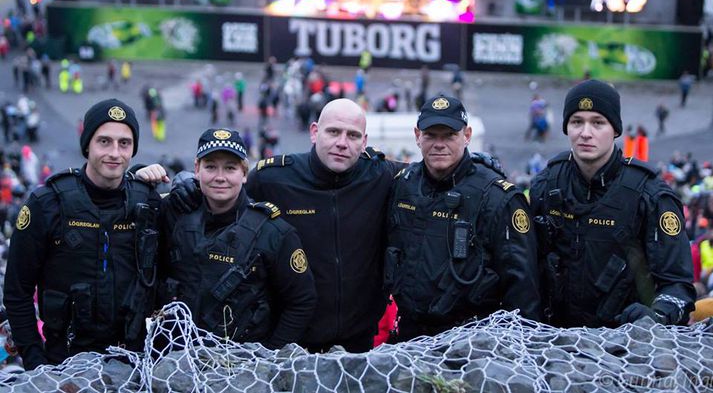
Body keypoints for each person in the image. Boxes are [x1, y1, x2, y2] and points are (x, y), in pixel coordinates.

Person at [170, 99, 405, 352]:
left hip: (359, 339)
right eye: (333, 131)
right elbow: (224, 187)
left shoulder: (381, 175)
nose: (342, 143)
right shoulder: (274, 177)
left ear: (364, 141)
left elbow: (433, 173)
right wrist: (185, 183)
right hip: (292, 340)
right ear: (314, 132)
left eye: (353, 135)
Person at [3, 99, 162, 370]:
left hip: (132, 364)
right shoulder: (46, 204)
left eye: (124, 143)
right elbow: (18, 292)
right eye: (104, 141)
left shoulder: (147, 202)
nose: (115, 152)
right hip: (61, 363)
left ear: (134, 149)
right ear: (87, 144)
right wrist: (34, 360)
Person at [530, 79, 696, 328]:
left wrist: (657, 316)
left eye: (598, 122)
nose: (586, 133)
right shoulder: (546, 184)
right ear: (566, 128)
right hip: (555, 339)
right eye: (577, 122)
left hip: (622, 346)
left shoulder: (650, 195)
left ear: (615, 129)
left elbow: (678, 285)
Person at [384, 95, 541, 341]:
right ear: (417, 136)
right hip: (408, 338)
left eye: (449, 135)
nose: (439, 144)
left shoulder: (497, 198)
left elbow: (523, 290)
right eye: (430, 135)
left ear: (466, 136)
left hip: (471, 345)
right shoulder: (403, 185)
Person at [151, 129, 317, 348]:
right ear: (197, 169)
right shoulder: (174, 213)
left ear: (245, 173)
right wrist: (139, 172)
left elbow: (302, 301)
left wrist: (271, 356)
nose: (220, 177)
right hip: (177, 359)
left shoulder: (273, 231)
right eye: (211, 167)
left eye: (230, 168)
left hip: (242, 367)